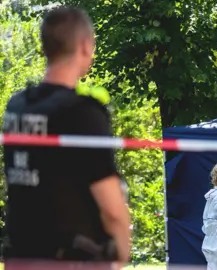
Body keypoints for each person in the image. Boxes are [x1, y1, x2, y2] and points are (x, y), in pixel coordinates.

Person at [1, 6, 131, 267]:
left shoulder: (17, 107)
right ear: (85, 45)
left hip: (21, 257)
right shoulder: (82, 112)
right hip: (70, 259)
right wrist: (122, 251)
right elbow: (111, 206)